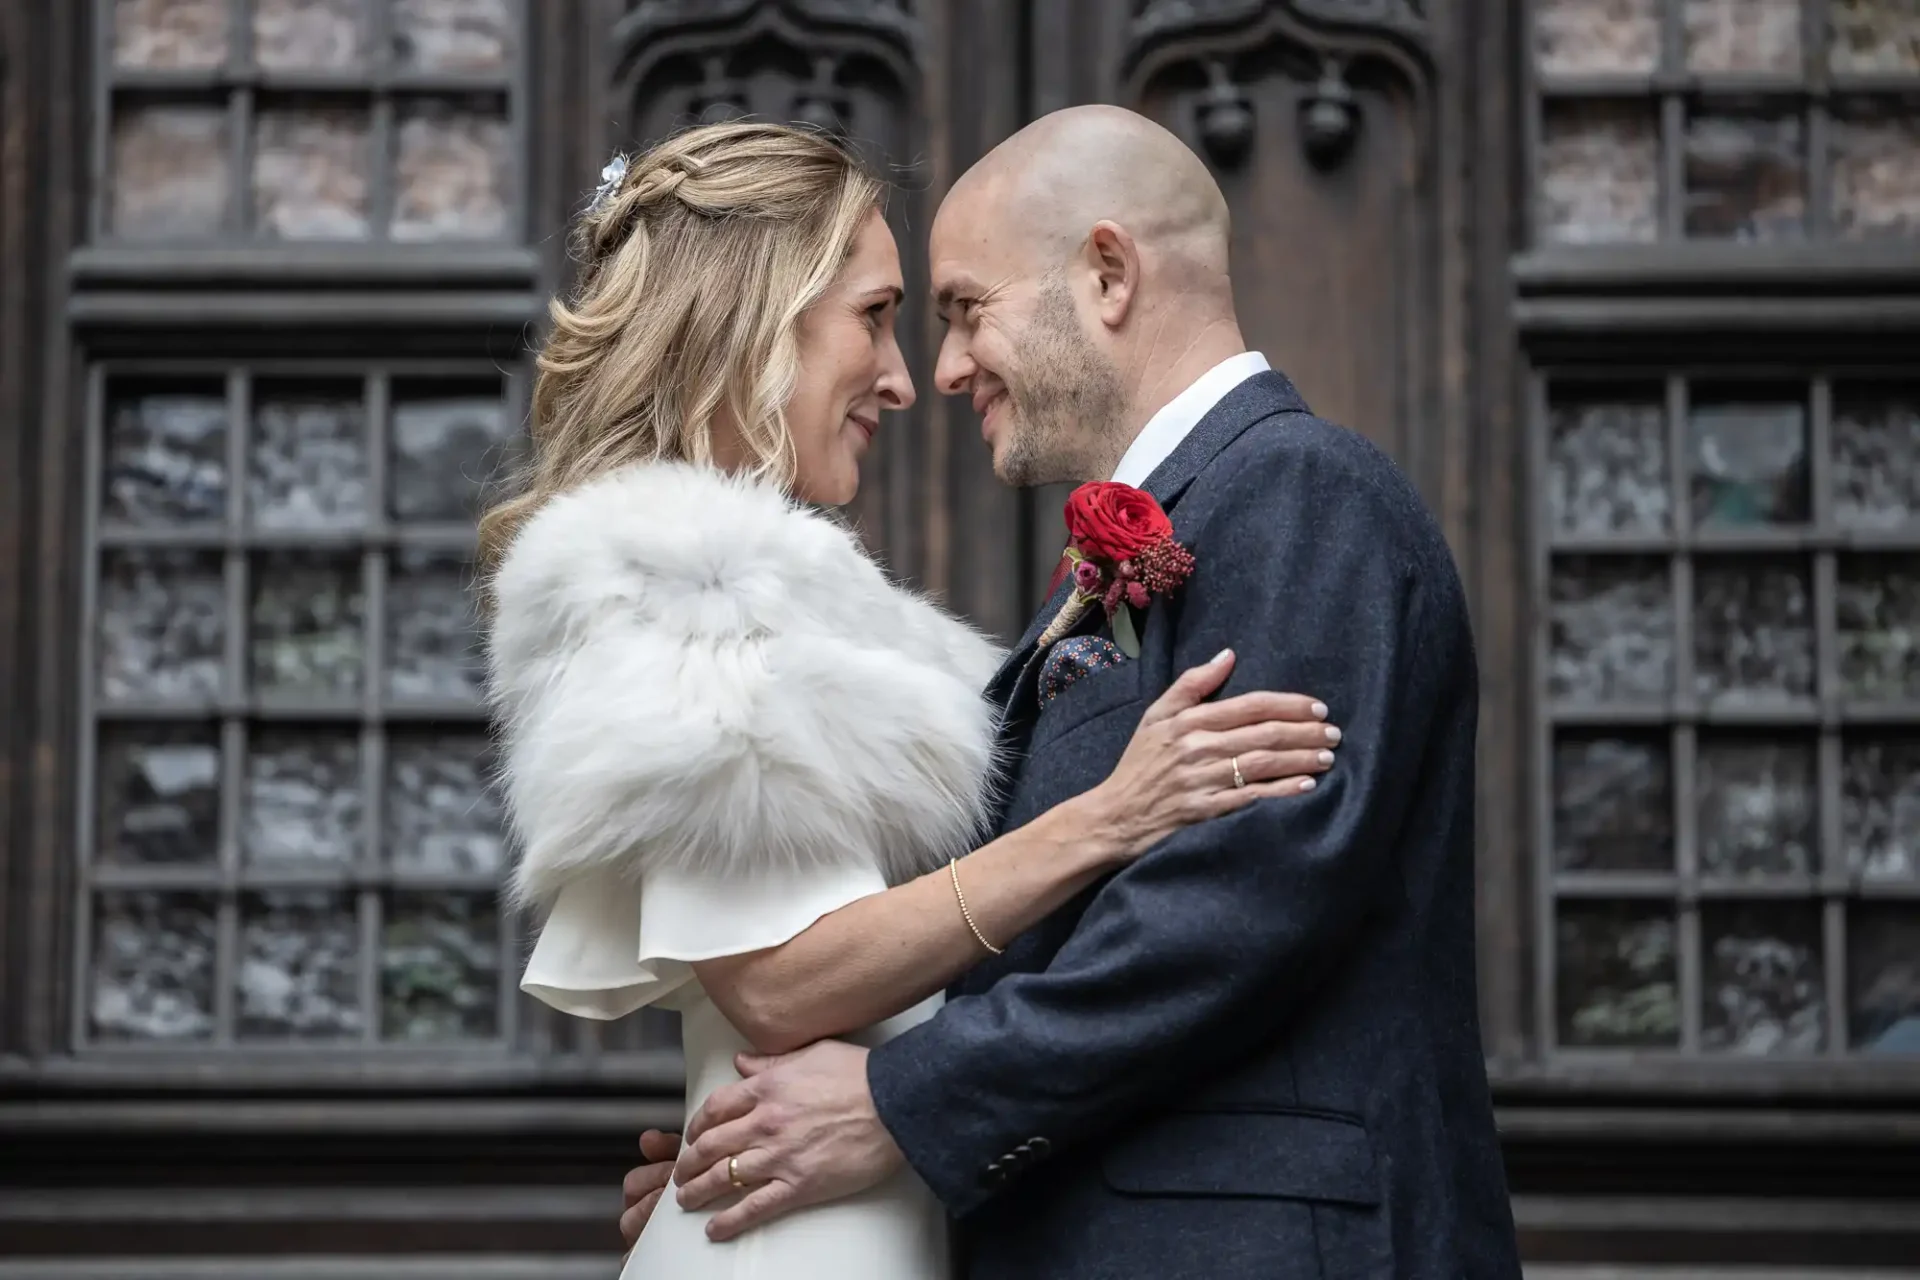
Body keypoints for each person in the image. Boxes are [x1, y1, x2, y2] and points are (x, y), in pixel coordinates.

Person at [623, 107, 1524, 1279]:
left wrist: (896, 1104)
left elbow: (1237, 900)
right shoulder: (1133, 557)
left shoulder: (1304, 491)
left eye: (963, 308)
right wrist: (765, 1157)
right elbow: (1032, 930)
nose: (942, 369)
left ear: (1108, 273)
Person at [481, 121, 1341, 1280]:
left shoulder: (793, 601)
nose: (905, 377)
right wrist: (1109, 816)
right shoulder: (683, 578)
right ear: (753, 317)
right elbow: (779, 983)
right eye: (878, 316)